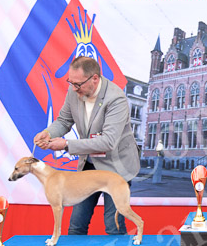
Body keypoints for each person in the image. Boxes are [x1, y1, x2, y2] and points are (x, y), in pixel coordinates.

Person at [33, 56, 140, 235]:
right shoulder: (74, 90)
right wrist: (49, 133)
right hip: (89, 166)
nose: (74, 88)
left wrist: (66, 145)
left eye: (78, 84)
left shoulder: (116, 99)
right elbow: (64, 120)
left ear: (94, 79)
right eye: (71, 83)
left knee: (113, 225)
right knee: (76, 226)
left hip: (116, 167)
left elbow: (107, 141)